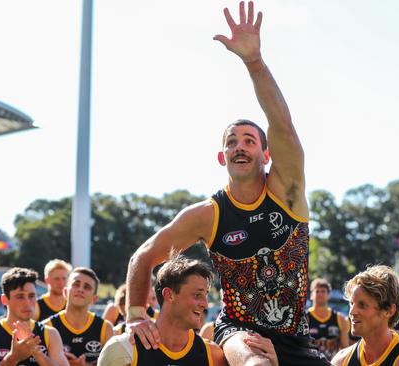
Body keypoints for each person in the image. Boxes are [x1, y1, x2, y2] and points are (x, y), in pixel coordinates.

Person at [125, 2, 325, 365]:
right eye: (231, 142)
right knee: (255, 365)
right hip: (237, 331)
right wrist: (135, 315)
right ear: (222, 157)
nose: (240, 147)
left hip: (297, 338)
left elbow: (282, 125)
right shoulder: (207, 214)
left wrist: (254, 62)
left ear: (267, 154)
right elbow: (144, 257)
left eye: (249, 140)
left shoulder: (287, 190)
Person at [98, 256, 235, 366]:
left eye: (206, 295)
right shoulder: (122, 350)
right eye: (197, 295)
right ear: (169, 295)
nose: (205, 304)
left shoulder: (213, 355)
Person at [330, 265, 399, 366]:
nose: (352, 312)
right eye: (351, 303)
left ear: (389, 311)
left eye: (362, 305)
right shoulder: (341, 361)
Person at [0, 267, 68, 366]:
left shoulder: (50, 333)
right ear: (4, 299)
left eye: (31, 296)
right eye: (20, 297)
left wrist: (37, 353)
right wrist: (13, 357)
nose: (27, 303)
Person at [44, 268, 113, 365]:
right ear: (65, 292)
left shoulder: (106, 328)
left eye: (87, 287)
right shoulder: (47, 327)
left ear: (94, 299)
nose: (80, 289)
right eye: (76, 284)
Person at [308, 278, 349, 361]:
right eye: (317, 291)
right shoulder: (305, 318)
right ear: (311, 296)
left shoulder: (340, 318)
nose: (320, 294)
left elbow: (345, 349)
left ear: (329, 295)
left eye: (323, 291)